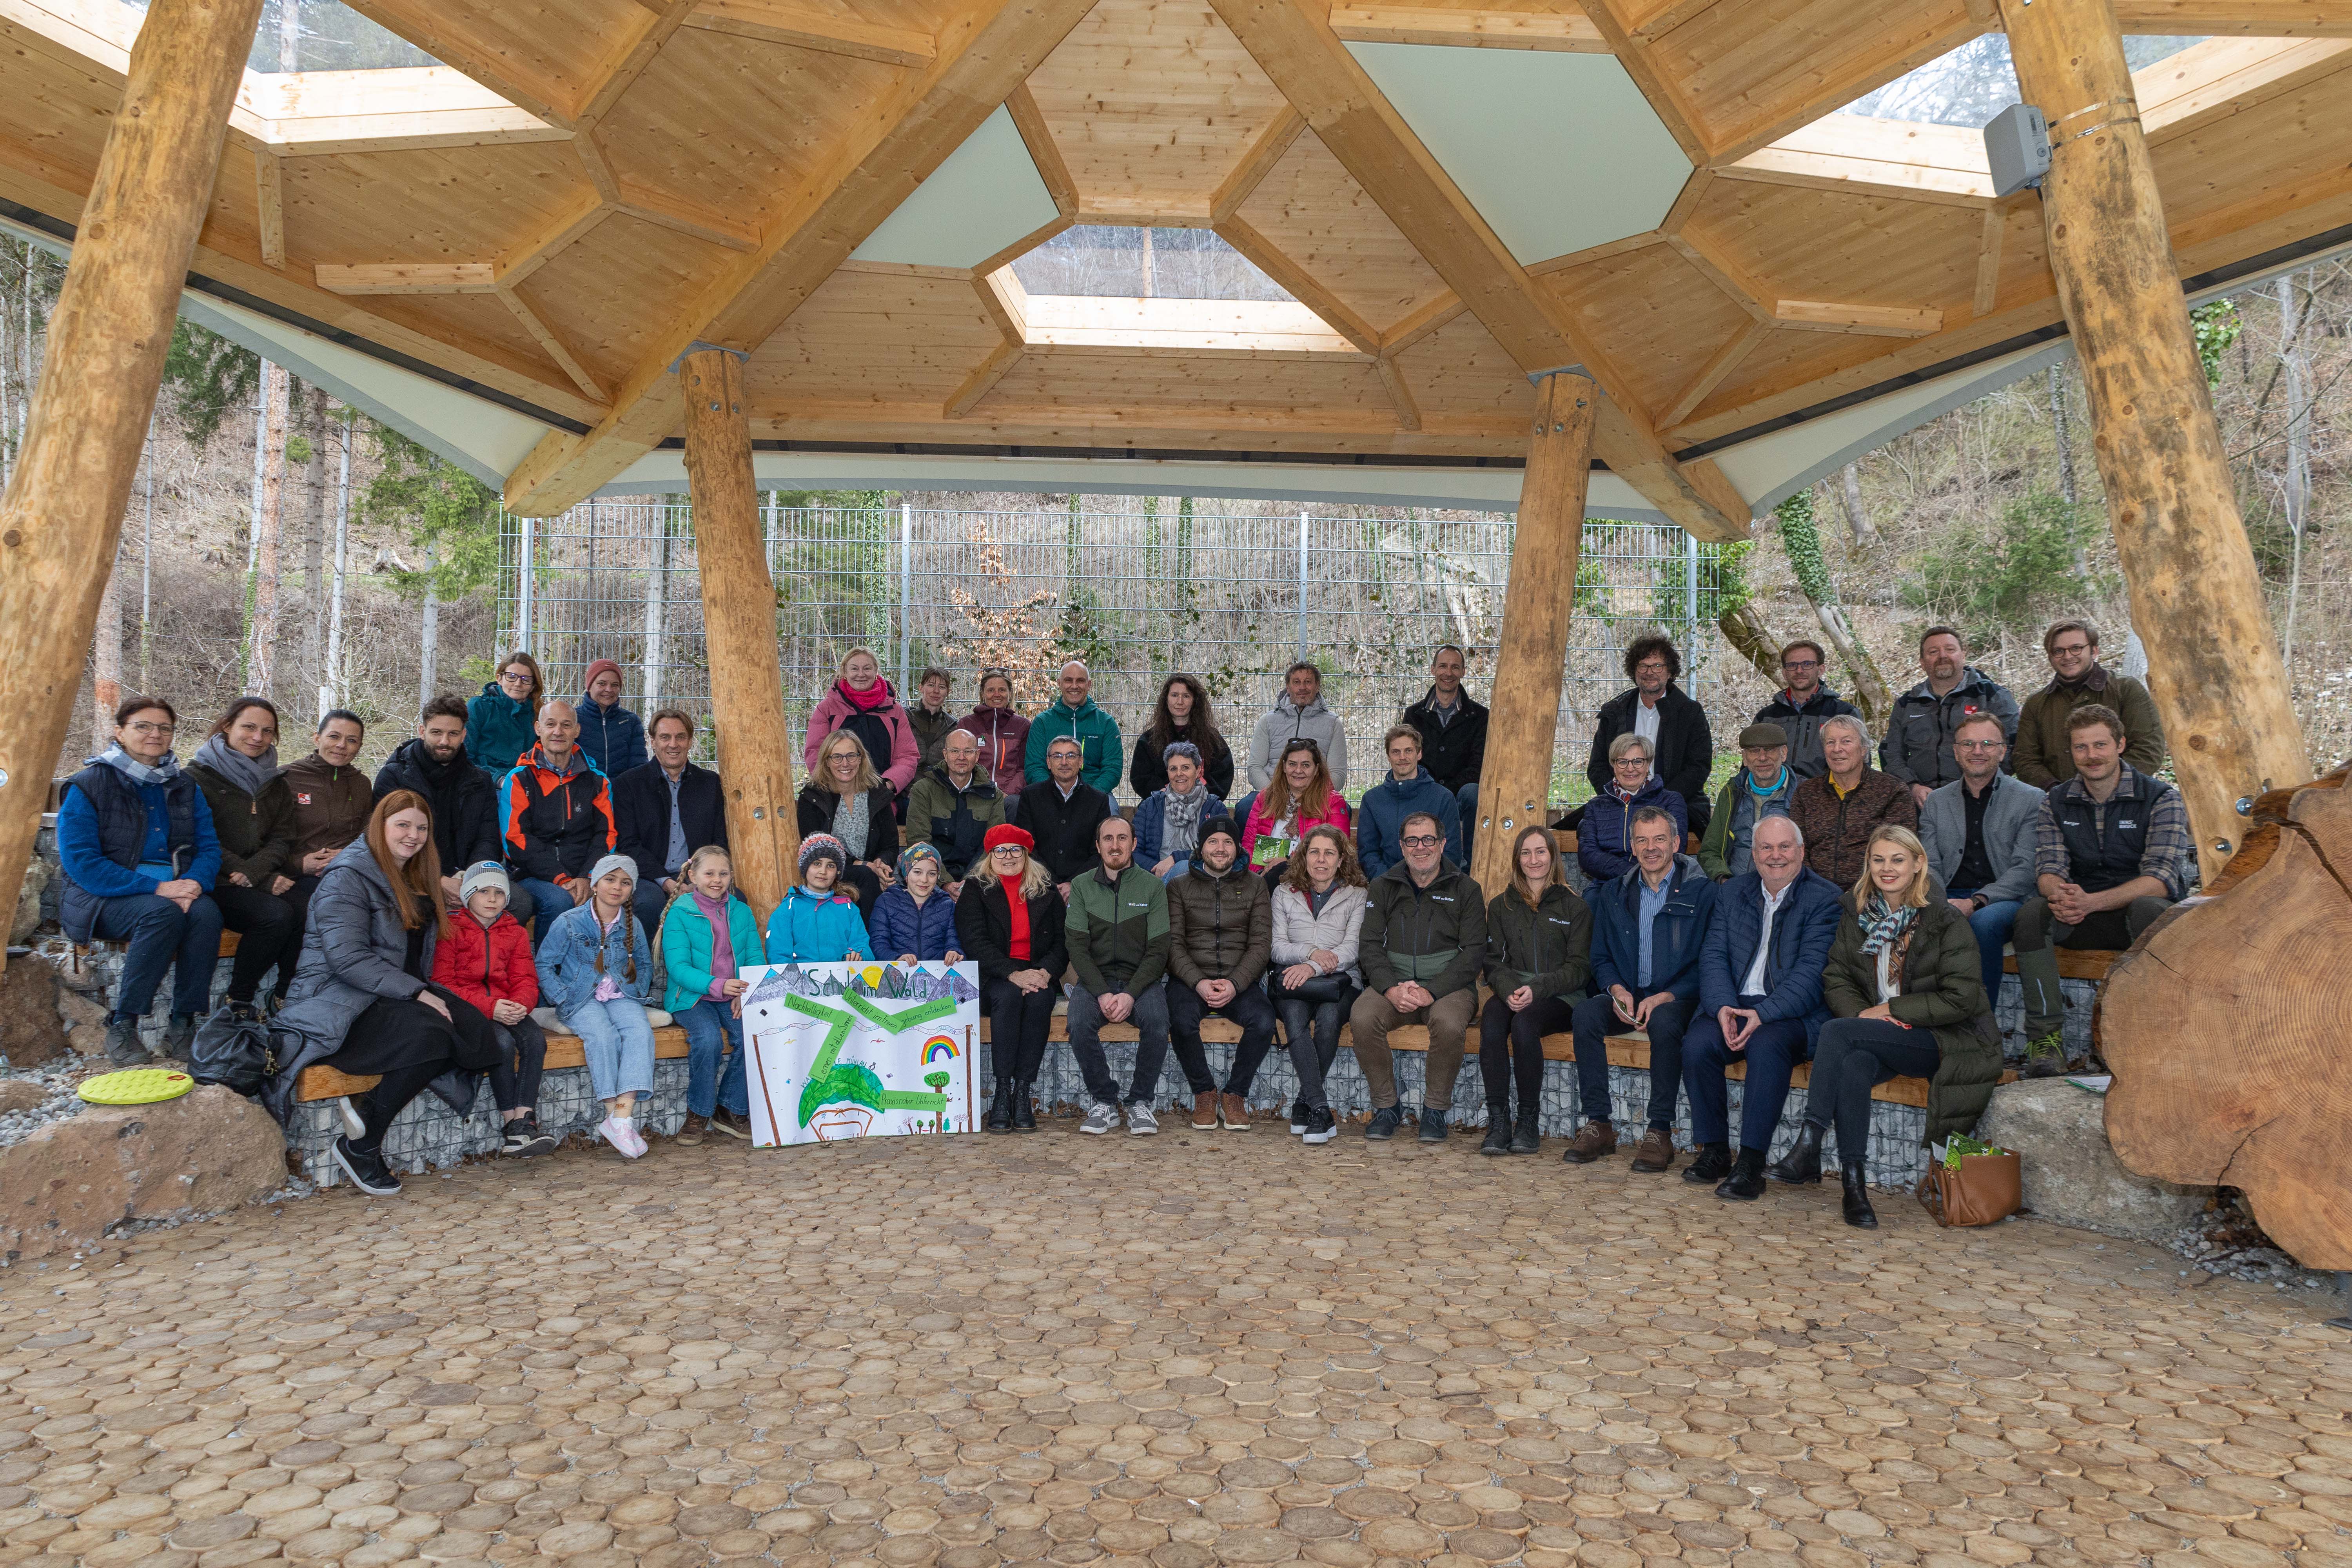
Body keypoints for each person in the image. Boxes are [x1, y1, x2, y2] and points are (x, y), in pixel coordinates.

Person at [265, 793, 501, 1196]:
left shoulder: (414, 874)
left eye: (421, 828)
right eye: (403, 825)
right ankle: (364, 1142)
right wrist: (417, 994)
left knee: (480, 1034)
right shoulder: (347, 877)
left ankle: (366, 1108)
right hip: (338, 1000)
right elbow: (349, 959)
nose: (413, 836)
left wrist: (428, 990)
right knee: (435, 1033)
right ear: (380, 826)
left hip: (392, 993)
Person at [1773, 825, 2002, 1228]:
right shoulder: (1858, 914)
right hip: (1881, 1031)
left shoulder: (1945, 920)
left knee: (1836, 1033)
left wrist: (1893, 1009)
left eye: (1898, 859)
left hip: (1946, 1037)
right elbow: (1837, 976)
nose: (1887, 868)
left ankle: (1809, 1143)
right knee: (1855, 1063)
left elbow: (1962, 998)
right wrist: (1866, 1015)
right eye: (1878, 860)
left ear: (1917, 865)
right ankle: (1854, 1187)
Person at [2013, 704, 2189, 1076]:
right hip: (2079, 914)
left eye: (2100, 745)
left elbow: (2160, 877)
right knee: (2032, 915)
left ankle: (2153, 1037)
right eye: (2081, 748)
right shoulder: (2057, 801)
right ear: (2071, 752)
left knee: (2152, 909)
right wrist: (2060, 895)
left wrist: (2092, 902)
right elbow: (2048, 868)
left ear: (2120, 744)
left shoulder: (2160, 798)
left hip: (2132, 915)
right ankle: (2046, 1043)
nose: (2091, 756)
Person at [1677, 815, 1842, 1199]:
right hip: (1735, 1003)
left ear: (1801, 852)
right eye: (1766, 848)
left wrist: (1763, 1014)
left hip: (1793, 1013)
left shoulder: (1826, 899)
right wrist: (1722, 1006)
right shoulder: (1733, 892)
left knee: (1767, 1046)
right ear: (1753, 855)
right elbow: (1714, 954)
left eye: (1785, 847)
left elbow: (1811, 975)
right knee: (1697, 1043)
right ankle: (1715, 1151)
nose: (1776, 856)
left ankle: (1751, 1163)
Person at [58, 697, 223, 1064]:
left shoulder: (184, 786)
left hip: (176, 889)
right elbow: (82, 863)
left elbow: (209, 847)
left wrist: (194, 884)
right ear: (120, 732)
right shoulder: (88, 785)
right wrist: (160, 889)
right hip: (101, 897)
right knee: (160, 914)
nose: (155, 734)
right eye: (143, 726)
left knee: (207, 914)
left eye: (165, 728)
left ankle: (183, 1024)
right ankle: (123, 1025)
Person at [1562, 806, 1717, 1172]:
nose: (1651, 848)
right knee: (1585, 1014)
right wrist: (1616, 988)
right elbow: (1600, 956)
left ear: (1677, 843)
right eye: (1642, 840)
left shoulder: (1702, 891)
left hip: (1678, 998)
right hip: (1629, 996)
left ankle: (1659, 1130)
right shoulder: (1615, 892)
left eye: (1659, 839)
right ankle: (1599, 1123)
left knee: (1664, 1023)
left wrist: (1667, 996)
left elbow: (1710, 963)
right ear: (1632, 846)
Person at [1348, 809, 1486, 1143]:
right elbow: (1368, 945)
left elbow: (1474, 953)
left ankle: (1435, 1110)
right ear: (1402, 845)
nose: (1420, 847)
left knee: (1450, 1024)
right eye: (1412, 840)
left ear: (1443, 844)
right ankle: (1387, 1107)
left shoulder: (1466, 888)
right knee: (1363, 1016)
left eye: (1428, 840)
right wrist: (1390, 988)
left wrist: (1432, 992)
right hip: (1394, 983)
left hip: (1449, 985)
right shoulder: (1382, 886)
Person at [1477, 826, 1590, 1157]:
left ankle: (1528, 1120)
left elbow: (1580, 969)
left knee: (1525, 1024)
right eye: (1526, 853)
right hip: (1513, 989)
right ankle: (1498, 1121)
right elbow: (1493, 963)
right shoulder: (1501, 906)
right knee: (1494, 1020)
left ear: (1554, 857)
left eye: (1541, 852)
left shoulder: (1575, 908)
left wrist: (1536, 988)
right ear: (1517, 859)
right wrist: (1511, 988)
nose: (1534, 859)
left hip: (1561, 995)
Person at [186, 697, 303, 1017]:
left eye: (267, 731)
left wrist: (258, 874)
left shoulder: (276, 781)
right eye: (249, 727)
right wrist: (249, 874)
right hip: (217, 880)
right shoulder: (197, 777)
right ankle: (238, 1000)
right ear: (227, 726)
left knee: (309, 906)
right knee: (275, 916)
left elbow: (283, 837)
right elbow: (199, 838)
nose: (257, 737)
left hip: (257, 876)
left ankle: (284, 995)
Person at [537, 855, 660, 1159]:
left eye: (626, 882)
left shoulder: (634, 924)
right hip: (580, 998)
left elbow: (644, 964)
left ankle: (621, 1117)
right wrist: (563, 996)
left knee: (640, 1033)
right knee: (603, 1036)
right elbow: (543, 964)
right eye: (610, 879)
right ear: (595, 884)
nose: (617, 887)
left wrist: (637, 989)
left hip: (620, 995)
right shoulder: (569, 922)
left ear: (632, 889)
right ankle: (614, 1118)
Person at [1918, 712, 2044, 1008]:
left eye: (1988, 744)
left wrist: (1977, 902)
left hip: (2004, 900)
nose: (1977, 752)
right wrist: (1940, 902)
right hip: (1947, 895)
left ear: (2003, 751)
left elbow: (2026, 869)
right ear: (1956, 751)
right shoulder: (1937, 801)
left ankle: (1980, 1023)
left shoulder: (2031, 799)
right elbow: (1928, 863)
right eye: (1969, 744)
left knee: (1984, 924)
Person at [432, 861, 554, 1158]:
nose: (491, 899)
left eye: (499, 893)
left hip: (508, 1004)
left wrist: (520, 1005)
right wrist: (490, 1007)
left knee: (535, 1040)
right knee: (501, 1043)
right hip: (470, 1008)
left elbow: (526, 978)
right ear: (467, 895)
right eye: (483, 892)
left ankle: (525, 1119)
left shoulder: (515, 932)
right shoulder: (450, 928)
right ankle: (511, 1122)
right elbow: (443, 984)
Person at [1165, 820, 1277, 1132]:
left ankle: (1235, 1094)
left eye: (1227, 842)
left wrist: (1235, 983)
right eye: (1213, 841)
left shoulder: (1256, 886)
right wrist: (1198, 982)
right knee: (1180, 1019)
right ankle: (1204, 1092)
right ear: (1201, 848)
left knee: (1264, 1021)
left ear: (1238, 848)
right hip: (1191, 979)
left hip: (1238, 979)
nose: (1220, 848)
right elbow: (1173, 944)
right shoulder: (1179, 886)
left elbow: (1260, 944)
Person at [1063, 816, 1172, 1137]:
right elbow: (1077, 948)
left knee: (1158, 1021)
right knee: (1079, 1022)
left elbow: (1159, 950)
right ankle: (1105, 1102)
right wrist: (1100, 992)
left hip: (1140, 980)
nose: (1115, 845)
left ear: (1134, 844)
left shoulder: (1152, 886)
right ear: (1098, 846)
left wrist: (1131, 994)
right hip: (1096, 980)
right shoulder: (1082, 885)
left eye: (1122, 838)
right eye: (1108, 839)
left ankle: (1140, 1103)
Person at [957, 824, 1067, 1134]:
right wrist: (1013, 974)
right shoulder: (976, 888)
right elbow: (974, 940)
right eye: (1000, 850)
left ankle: (1023, 1093)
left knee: (1041, 1000)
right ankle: (1002, 1093)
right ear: (990, 856)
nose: (1008, 856)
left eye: (1015, 850)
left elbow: (1062, 941)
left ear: (1026, 854)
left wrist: (1046, 972)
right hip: (996, 972)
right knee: (1006, 998)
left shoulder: (1045, 887)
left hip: (1037, 970)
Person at [656, 844, 760, 1145]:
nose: (717, 880)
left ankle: (729, 1108)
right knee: (708, 1039)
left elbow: (754, 955)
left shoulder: (741, 911)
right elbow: (678, 968)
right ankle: (699, 1112)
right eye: (709, 873)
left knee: (753, 1035)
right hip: (692, 997)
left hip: (733, 995)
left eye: (724, 874)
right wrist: (718, 985)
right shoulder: (680, 912)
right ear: (693, 875)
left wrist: (745, 989)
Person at [1269, 824, 1365, 1147]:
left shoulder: (1357, 894)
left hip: (1341, 982)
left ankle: (1304, 1103)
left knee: (1328, 1021)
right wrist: (1309, 954)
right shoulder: (1284, 891)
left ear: (1341, 860)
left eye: (1329, 853)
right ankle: (1320, 1109)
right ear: (1303, 856)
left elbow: (1352, 950)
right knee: (1295, 1021)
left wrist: (1313, 966)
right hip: (1293, 980)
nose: (1321, 860)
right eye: (1314, 852)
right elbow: (1276, 946)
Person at [375, 695, 513, 917]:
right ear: (422, 731)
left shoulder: (479, 780)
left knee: (519, 904)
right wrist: (436, 880)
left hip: (465, 876)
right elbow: (384, 840)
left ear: (464, 735)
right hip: (409, 874)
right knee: (421, 911)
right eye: (436, 732)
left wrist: (471, 880)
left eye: (453, 734)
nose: (444, 742)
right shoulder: (396, 776)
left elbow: (487, 838)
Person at [497, 699, 617, 946]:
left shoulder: (598, 781)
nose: (558, 732)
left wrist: (587, 876)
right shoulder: (519, 779)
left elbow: (606, 835)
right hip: (533, 875)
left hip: (586, 873)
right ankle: (547, 975)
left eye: (566, 725)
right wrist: (561, 878)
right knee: (559, 900)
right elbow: (516, 838)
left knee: (621, 895)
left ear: (577, 731)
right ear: (538, 728)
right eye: (551, 724)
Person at [612, 707, 728, 935]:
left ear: (690, 742)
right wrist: (666, 881)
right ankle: (648, 968)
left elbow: (718, 841)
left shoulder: (710, 784)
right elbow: (628, 843)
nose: (673, 744)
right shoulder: (629, 784)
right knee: (649, 902)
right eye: (665, 737)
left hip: (699, 874)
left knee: (734, 899)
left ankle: (712, 967)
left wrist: (701, 879)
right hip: (649, 875)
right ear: (653, 741)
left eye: (680, 737)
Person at [1584, 636, 1714, 836]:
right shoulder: (1615, 712)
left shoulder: (1689, 713)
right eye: (1642, 667)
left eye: (1657, 666)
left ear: (1670, 671)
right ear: (1634, 671)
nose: (1649, 673)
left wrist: (1660, 800)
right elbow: (1597, 767)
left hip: (1677, 803)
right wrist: (1620, 798)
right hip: (1621, 804)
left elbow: (1698, 768)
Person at [2013, 619, 2166, 789]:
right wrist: (2057, 792)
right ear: (2050, 657)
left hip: (2124, 799)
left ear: (2094, 651)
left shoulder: (2126, 690)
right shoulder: (2037, 703)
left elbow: (2148, 749)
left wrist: (2108, 788)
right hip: (2062, 805)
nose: (2068, 656)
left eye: (2076, 648)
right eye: (2058, 651)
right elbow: (2025, 759)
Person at [1880, 626, 2021, 807]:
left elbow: (2013, 748)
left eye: (1950, 649)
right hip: (1921, 800)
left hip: (1981, 797)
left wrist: (1978, 786)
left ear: (1963, 655)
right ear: (1922, 663)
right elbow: (1891, 753)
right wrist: (1911, 786)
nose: (1942, 656)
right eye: (1933, 652)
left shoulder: (1992, 697)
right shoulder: (1907, 704)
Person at [1790, 715, 1915, 889]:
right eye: (1830, 742)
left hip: (1874, 892)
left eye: (1846, 741)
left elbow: (1899, 851)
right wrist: (1816, 890)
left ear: (1864, 749)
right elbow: (1798, 848)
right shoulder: (1806, 793)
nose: (1837, 749)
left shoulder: (1892, 791)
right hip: (1815, 893)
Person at [797, 731, 900, 919]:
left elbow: (890, 845)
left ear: (861, 759)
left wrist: (881, 863)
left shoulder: (877, 793)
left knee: (893, 882)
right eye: (837, 757)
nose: (845, 763)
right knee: (865, 876)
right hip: (829, 871)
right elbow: (818, 847)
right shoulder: (813, 797)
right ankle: (869, 943)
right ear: (827, 761)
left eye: (851, 756)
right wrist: (864, 865)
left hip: (872, 871)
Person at [285, 710, 372, 925]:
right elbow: (268, 836)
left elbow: (369, 836)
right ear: (318, 738)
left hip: (348, 873)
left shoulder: (362, 785)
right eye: (334, 736)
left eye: (352, 740)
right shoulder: (288, 778)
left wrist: (347, 857)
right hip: (297, 876)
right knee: (313, 911)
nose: (342, 745)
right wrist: (297, 864)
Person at [802, 648, 921, 797]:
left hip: (882, 795)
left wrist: (888, 784)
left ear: (876, 671)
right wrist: (836, 786)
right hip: (837, 794)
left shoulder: (894, 711)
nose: (861, 674)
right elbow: (815, 752)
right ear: (844, 672)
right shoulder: (827, 709)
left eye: (867, 669)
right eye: (854, 669)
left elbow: (907, 756)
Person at [1356, 725, 1463, 880]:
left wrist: (1426, 882)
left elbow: (1451, 852)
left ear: (1419, 754)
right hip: (1388, 885)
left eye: (1408, 751)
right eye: (1396, 752)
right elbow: (1368, 852)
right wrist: (1388, 882)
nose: (1402, 758)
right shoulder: (1372, 800)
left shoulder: (1443, 797)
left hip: (1433, 885)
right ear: (1388, 756)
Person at [1577, 734, 1688, 884]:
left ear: (1648, 764)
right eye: (1623, 762)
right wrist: (1631, 874)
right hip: (1606, 883)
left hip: (1657, 882)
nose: (1630, 769)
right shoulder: (1596, 806)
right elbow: (1588, 855)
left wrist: (1642, 879)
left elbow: (1675, 849)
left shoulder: (1671, 801)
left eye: (1638, 762)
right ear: (1614, 766)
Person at [902, 728, 1005, 885]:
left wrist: (970, 883)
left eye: (968, 752)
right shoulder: (924, 791)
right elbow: (919, 841)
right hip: (932, 879)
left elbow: (994, 845)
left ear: (977, 755)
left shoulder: (993, 796)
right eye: (955, 751)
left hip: (978, 879)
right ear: (945, 754)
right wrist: (945, 882)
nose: (961, 757)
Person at [1009, 735, 1111, 893]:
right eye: (1057, 756)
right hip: (1039, 884)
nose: (1064, 762)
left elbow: (1099, 851)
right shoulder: (1031, 796)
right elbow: (1025, 846)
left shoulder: (1099, 800)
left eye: (1071, 756)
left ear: (1081, 762)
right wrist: (1051, 883)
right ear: (1049, 763)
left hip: (1085, 886)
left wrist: (1074, 884)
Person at [1697, 724, 1795, 881]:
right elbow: (1711, 851)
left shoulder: (1802, 794)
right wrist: (1725, 880)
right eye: (1754, 751)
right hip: (1736, 887)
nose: (1762, 758)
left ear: (1783, 753)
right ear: (1744, 757)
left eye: (1770, 750)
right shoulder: (1733, 792)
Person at [1242, 737, 1351, 877]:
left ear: (1317, 769)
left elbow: (1337, 850)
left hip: (1310, 876)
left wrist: (1289, 862)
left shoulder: (1333, 802)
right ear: (1284, 767)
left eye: (1306, 765)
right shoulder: (1265, 798)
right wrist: (1256, 878)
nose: (1298, 771)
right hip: (1263, 875)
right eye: (1292, 764)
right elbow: (1249, 845)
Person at [1755, 641, 1860, 782]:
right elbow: (1751, 761)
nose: (1799, 671)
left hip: (1826, 796)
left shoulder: (1843, 713)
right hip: (1776, 797)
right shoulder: (1767, 717)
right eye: (1792, 666)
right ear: (1785, 673)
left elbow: (1859, 764)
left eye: (1807, 664)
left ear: (1821, 669)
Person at [1245, 660, 1348, 799]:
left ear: (1317, 686)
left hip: (1316, 796)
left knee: (1344, 811)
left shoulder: (1333, 724)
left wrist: (1314, 795)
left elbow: (1338, 774)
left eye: (1308, 682)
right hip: (1273, 793)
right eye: (1296, 682)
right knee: (1244, 808)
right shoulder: (1267, 721)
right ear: (1288, 687)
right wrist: (1274, 794)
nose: (1302, 688)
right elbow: (1255, 768)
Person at [1403, 643, 1488, 810]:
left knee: (1473, 792)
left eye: (1455, 667)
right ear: (1433, 669)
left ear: (1463, 672)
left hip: (1461, 797)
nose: (1448, 673)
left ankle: (1472, 837)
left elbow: (1479, 766)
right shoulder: (1414, 715)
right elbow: (1408, 759)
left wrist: (1446, 792)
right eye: (1443, 666)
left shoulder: (1481, 717)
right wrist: (1431, 789)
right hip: (1423, 791)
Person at [1133, 742, 1232, 881]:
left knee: (1183, 868)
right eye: (1173, 769)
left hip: (1200, 877)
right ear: (1167, 772)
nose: (1179, 774)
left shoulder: (1215, 808)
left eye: (1186, 768)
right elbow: (1133, 849)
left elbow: (1218, 850)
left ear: (1198, 771)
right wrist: (1158, 868)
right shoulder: (1151, 806)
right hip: (1154, 876)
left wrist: (1176, 859)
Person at [766, 835, 873, 962]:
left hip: (842, 978)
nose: (823, 871)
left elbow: (863, 947)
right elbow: (778, 955)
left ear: (838, 872)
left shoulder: (849, 908)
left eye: (831, 866)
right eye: (817, 864)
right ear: (805, 868)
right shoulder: (789, 909)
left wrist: (857, 955)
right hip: (802, 979)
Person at [1130, 673, 1235, 801]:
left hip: (1203, 804)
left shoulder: (1212, 739)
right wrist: (1162, 793)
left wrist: (1201, 794)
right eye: (1175, 695)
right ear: (1166, 699)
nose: (1180, 702)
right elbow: (1140, 777)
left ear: (1195, 700)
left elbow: (1223, 777)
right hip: (1162, 803)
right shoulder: (1149, 740)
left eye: (1186, 696)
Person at [1023, 661, 1122, 794]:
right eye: (1069, 681)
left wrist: (1092, 795)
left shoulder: (1106, 723)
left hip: (1095, 794)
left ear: (1089, 685)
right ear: (1059, 684)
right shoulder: (1042, 722)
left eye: (1080, 681)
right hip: (1050, 794)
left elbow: (1112, 769)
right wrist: (1053, 794)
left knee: (1111, 812)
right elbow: (1034, 767)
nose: (1074, 686)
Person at [871, 844, 966, 963]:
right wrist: (896, 958)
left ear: (938, 876)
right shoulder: (886, 902)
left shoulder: (947, 905)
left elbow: (954, 940)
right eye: (917, 872)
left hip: (938, 975)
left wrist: (955, 952)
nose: (924, 880)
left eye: (932, 874)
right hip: (898, 975)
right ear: (906, 875)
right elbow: (878, 943)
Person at [466, 652, 542, 773]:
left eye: (526, 679)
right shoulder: (479, 707)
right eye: (511, 677)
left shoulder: (538, 714)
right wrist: (497, 780)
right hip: (485, 780)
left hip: (526, 781)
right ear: (499, 679)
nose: (518, 684)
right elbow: (465, 758)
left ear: (533, 686)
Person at [573, 658, 648, 779]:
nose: (609, 690)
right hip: (585, 793)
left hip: (621, 792)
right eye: (602, 684)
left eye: (615, 685)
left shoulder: (631, 721)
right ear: (590, 686)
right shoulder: (573, 719)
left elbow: (638, 764)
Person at [963, 669, 1031, 800]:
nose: (997, 695)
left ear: (1010, 693)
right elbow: (963, 764)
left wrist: (1008, 794)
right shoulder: (967, 724)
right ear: (983, 694)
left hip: (1009, 795)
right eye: (991, 690)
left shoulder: (1023, 726)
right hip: (975, 792)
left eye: (1002, 690)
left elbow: (1024, 768)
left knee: (1014, 803)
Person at [906, 666, 959, 783]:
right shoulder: (906, 718)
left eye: (942, 687)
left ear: (948, 692)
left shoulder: (953, 726)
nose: (936, 691)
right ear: (921, 688)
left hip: (939, 789)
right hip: (906, 787)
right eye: (931, 685)